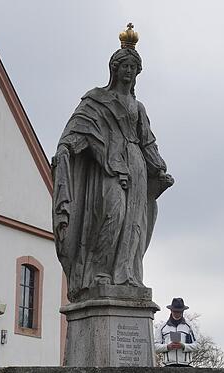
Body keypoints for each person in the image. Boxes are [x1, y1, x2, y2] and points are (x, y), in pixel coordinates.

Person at [52, 24, 174, 301]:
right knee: (111, 215)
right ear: (114, 69)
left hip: (136, 166)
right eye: (125, 66)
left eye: (133, 67)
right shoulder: (97, 99)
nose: (129, 72)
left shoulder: (137, 106)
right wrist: (67, 148)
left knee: (134, 223)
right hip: (108, 165)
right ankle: (98, 273)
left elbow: (147, 141)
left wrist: (160, 168)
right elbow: (79, 130)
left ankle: (127, 274)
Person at [154, 298, 197, 367]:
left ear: (183, 311)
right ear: (171, 310)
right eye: (175, 311)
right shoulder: (162, 327)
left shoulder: (190, 326)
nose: (177, 313)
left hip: (186, 365)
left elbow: (197, 345)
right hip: (168, 365)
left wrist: (183, 346)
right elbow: (155, 347)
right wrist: (167, 346)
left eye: (179, 311)